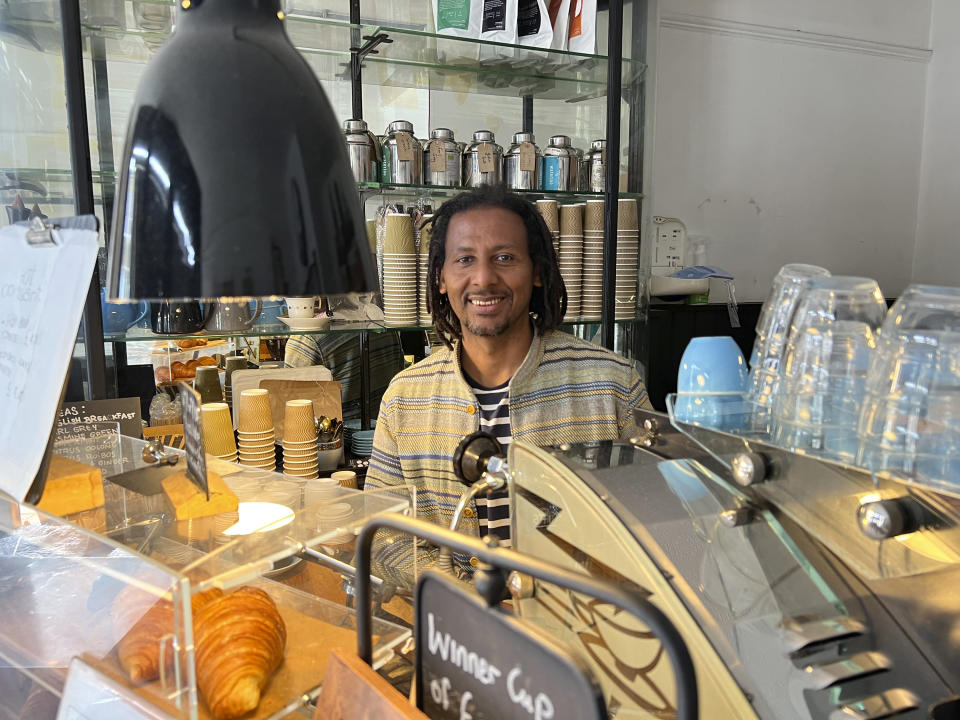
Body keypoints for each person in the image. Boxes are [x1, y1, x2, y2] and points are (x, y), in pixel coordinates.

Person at [364, 185, 651, 582]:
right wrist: (464, 595)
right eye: (465, 259)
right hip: (456, 629)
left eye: (504, 257)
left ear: (536, 272)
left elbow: (653, 527)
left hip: (582, 627)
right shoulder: (404, 398)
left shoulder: (613, 385)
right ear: (442, 278)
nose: (483, 279)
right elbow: (384, 535)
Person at [284, 328, 405, 423]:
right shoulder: (384, 325)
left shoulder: (305, 339)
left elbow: (290, 409)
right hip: (385, 430)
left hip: (335, 440)